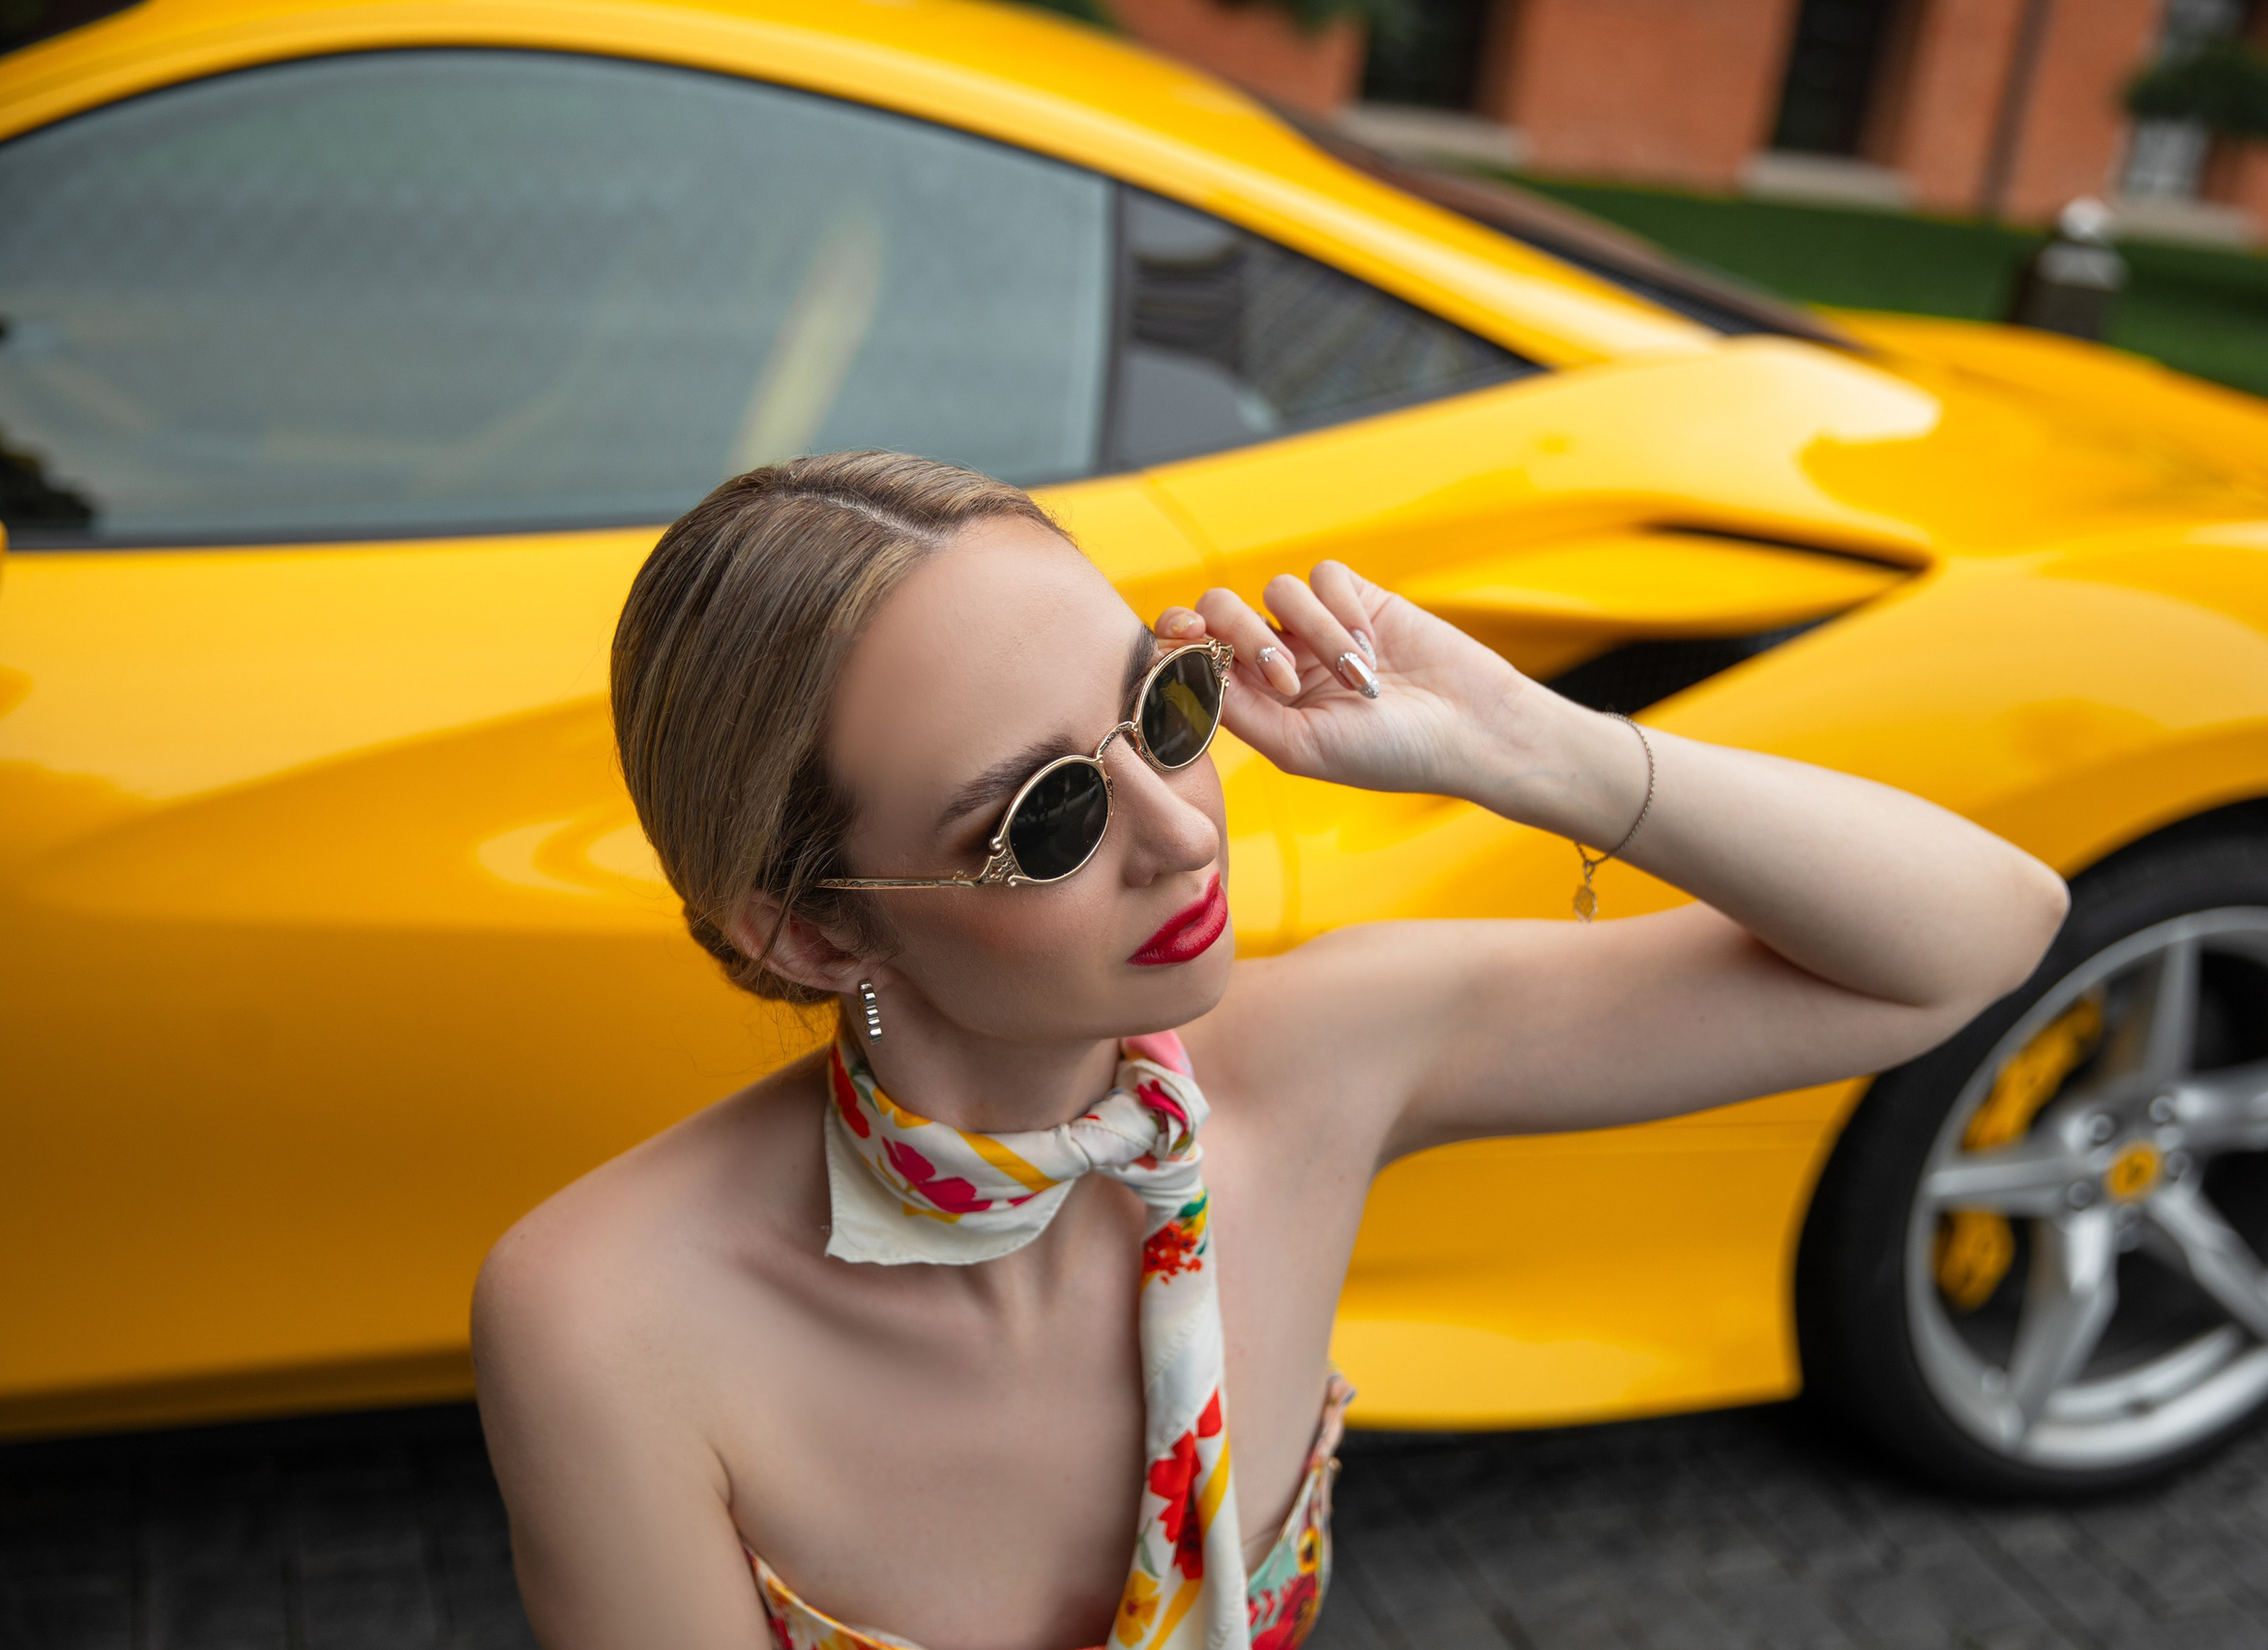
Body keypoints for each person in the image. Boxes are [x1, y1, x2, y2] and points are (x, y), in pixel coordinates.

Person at [473, 451, 2069, 1650]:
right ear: (812, 934)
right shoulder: (609, 1315)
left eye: (1164, 710)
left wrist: (1539, 752)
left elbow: (1974, 937)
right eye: (1053, 816)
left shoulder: (1320, 1057)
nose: (1183, 828)